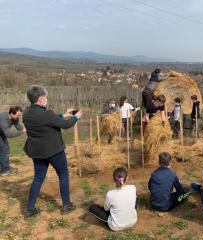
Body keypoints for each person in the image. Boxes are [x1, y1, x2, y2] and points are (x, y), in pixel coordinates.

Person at [23, 85, 82, 217]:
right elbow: (66, 125)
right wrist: (76, 117)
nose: (46, 99)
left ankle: (30, 209)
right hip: (54, 151)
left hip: (37, 152)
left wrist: (63, 114)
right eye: (46, 98)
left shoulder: (26, 113)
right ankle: (66, 205)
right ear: (40, 99)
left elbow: (48, 120)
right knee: (63, 174)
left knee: (38, 178)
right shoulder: (46, 114)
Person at [89, 167, 137, 231]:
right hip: (133, 222)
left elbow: (106, 209)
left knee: (92, 207)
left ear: (113, 180)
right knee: (136, 196)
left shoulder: (110, 194)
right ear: (127, 178)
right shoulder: (133, 188)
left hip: (116, 226)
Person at [0, 106, 26, 176]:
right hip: (2, 134)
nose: (18, 117)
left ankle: (4, 168)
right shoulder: (3, 119)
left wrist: (26, 128)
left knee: (4, 149)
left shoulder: (15, 118)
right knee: (4, 149)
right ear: (11, 113)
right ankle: (5, 170)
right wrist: (21, 132)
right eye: (18, 115)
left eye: (19, 115)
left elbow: (18, 127)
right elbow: (9, 134)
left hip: (2, 134)